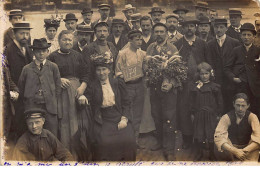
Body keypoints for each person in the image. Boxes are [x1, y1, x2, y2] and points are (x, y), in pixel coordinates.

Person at [48, 30, 91, 160]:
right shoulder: (52, 57)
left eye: (70, 40)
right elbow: (47, 74)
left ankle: (78, 153)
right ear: (59, 41)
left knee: (77, 122)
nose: (68, 42)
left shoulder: (78, 55)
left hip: (77, 92)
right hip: (61, 93)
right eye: (65, 39)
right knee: (64, 122)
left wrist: (83, 86)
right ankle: (66, 154)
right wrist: (58, 79)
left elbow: (86, 74)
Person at [86, 52, 136, 161]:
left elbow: (127, 102)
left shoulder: (117, 83)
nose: (101, 73)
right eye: (98, 70)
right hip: (103, 119)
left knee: (129, 140)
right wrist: (82, 98)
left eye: (104, 69)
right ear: (95, 72)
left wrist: (124, 119)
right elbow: (87, 97)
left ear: (109, 70)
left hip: (118, 116)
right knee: (104, 142)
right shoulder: (92, 86)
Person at [174, 16, 208, 149]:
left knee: (201, 109)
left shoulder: (202, 44)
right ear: (182, 28)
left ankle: (201, 139)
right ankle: (187, 139)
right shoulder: (178, 44)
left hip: (200, 82)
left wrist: (204, 79)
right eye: (187, 26)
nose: (189, 29)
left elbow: (208, 62)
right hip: (183, 84)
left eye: (192, 26)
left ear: (196, 28)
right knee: (184, 111)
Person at [147, 23, 179, 161]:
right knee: (156, 116)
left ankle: (169, 150)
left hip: (168, 91)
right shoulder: (150, 47)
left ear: (166, 33)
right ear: (154, 33)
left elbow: (179, 70)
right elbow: (146, 66)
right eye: (157, 32)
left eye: (161, 31)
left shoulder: (172, 48)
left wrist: (171, 84)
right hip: (155, 89)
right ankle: (160, 142)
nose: (159, 34)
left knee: (168, 119)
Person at [18, 38, 61, 137]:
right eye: (38, 51)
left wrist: (53, 100)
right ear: (33, 52)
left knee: (51, 133)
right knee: (34, 133)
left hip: (50, 108)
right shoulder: (26, 69)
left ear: (48, 52)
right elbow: (21, 87)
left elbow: (58, 86)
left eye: (43, 51)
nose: (41, 54)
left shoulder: (53, 67)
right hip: (32, 107)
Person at [115, 30, 146, 148]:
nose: (139, 42)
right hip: (127, 87)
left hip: (139, 86)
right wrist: (130, 75)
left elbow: (145, 69)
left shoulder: (143, 53)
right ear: (130, 41)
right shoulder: (123, 53)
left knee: (138, 113)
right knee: (127, 113)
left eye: (141, 39)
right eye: (137, 39)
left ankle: (135, 140)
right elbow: (117, 72)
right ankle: (126, 140)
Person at [224, 23, 260, 120]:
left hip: (254, 89)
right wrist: (233, 78)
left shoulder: (258, 51)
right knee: (239, 110)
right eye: (244, 35)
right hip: (239, 86)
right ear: (240, 36)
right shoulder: (236, 50)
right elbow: (227, 68)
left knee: (254, 112)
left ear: (254, 37)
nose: (246, 37)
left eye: (249, 35)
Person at [4, 21, 34, 139]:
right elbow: (6, 75)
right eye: (22, 34)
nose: (25, 37)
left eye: (27, 34)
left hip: (28, 91)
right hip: (15, 94)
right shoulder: (7, 51)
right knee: (18, 122)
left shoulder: (28, 48)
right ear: (14, 34)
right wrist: (14, 89)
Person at [190, 62, 223, 161]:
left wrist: (219, 114)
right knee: (199, 134)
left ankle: (212, 154)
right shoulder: (196, 87)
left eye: (206, 74)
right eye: (202, 74)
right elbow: (191, 101)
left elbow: (220, 102)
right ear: (198, 75)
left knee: (211, 134)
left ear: (210, 74)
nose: (204, 76)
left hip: (211, 114)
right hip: (199, 114)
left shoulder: (215, 87)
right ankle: (199, 153)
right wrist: (192, 113)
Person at [207, 18, 240, 113]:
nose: (218, 30)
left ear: (226, 28)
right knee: (218, 103)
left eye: (221, 27)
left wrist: (233, 76)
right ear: (213, 28)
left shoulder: (234, 42)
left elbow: (237, 62)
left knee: (231, 103)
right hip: (217, 80)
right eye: (216, 27)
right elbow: (209, 61)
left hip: (231, 80)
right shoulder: (209, 44)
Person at [214, 93, 260, 161]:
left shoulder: (252, 117)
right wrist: (235, 151)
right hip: (231, 149)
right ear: (233, 104)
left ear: (248, 106)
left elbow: (258, 138)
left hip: (248, 150)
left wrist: (242, 151)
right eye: (238, 105)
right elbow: (218, 137)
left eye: (243, 106)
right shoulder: (226, 117)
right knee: (220, 141)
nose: (240, 109)